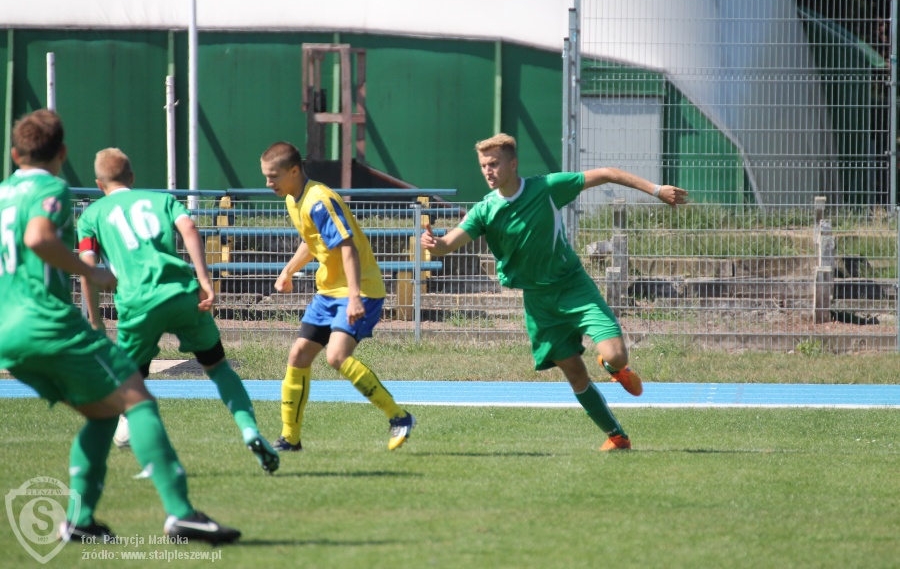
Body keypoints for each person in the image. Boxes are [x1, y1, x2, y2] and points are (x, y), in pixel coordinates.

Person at [0, 109, 240, 544]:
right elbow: (38, 237)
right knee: (137, 398)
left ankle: (80, 519)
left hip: (7, 332)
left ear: (16, 154)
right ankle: (181, 513)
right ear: (63, 153)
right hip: (46, 324)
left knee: (102, 413)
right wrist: (91, 272)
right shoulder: (50, 188)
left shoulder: (2, 194)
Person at [421, 133, 689, 451]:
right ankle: (617, 437)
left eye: (493, 164)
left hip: (573, 286)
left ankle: (615, 368)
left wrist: (657, 190)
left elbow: (607, 173)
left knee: (616, 355)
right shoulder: (485, 210)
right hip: (539, 302)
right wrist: (434, 245)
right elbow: (447, 244)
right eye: (483, 165)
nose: (487, 171)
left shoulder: (546, 188)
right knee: (575, 373)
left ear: (513, 164)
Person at [77, 148, 279, 475]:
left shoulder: (92, 215)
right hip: (183, 294)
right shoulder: (162, 200)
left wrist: (96, 321)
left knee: (132, 388)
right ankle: (250, 431)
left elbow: (87, 268)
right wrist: (205, 280)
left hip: (138, 304)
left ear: (99, 184)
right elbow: (189, 229)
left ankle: (155, 461)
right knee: (218, 367)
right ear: (132, 177)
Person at [260, 141, 415, 452]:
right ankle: (290, 438)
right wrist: (288, 271)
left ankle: (399, 417)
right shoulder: (293, 199)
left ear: (294, 171)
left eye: (273, 176)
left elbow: (348, 247)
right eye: (266, 176)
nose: (268, 183)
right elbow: (313, 241)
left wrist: (355, 297)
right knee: (298, 355)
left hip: (360, 290)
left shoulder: (319, 200)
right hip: (328, 292)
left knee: (336, 356)